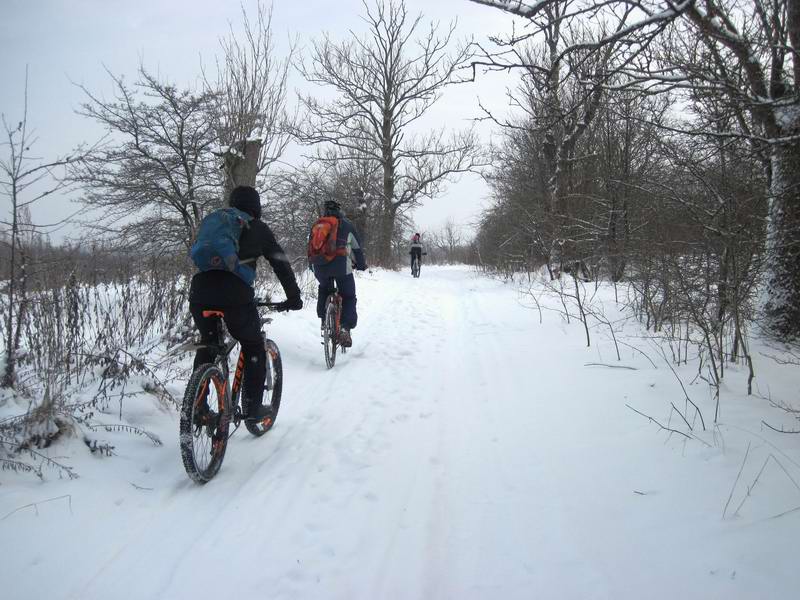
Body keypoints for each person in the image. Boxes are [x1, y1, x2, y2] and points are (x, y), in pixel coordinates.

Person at [189, 185, 303, 422]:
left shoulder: (219, 223)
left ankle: (197, 406)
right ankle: (253, 409)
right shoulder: (257, 228)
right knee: (253, 346)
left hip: (200, 291)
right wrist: (293, 297)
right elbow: (280, 263)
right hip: (235, 295)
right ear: (256, 207)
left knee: (208, 345)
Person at [309, 200, 367, 347]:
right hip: (342, 267)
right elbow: (357, 248)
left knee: (324, 288)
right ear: (339, 210)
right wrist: (361, 264)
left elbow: (311, 249)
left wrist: (312, 266)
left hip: (319, 267)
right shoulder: (347, 225)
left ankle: (324, 320)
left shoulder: (317, 226)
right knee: (348, 296)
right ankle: (344, 328)